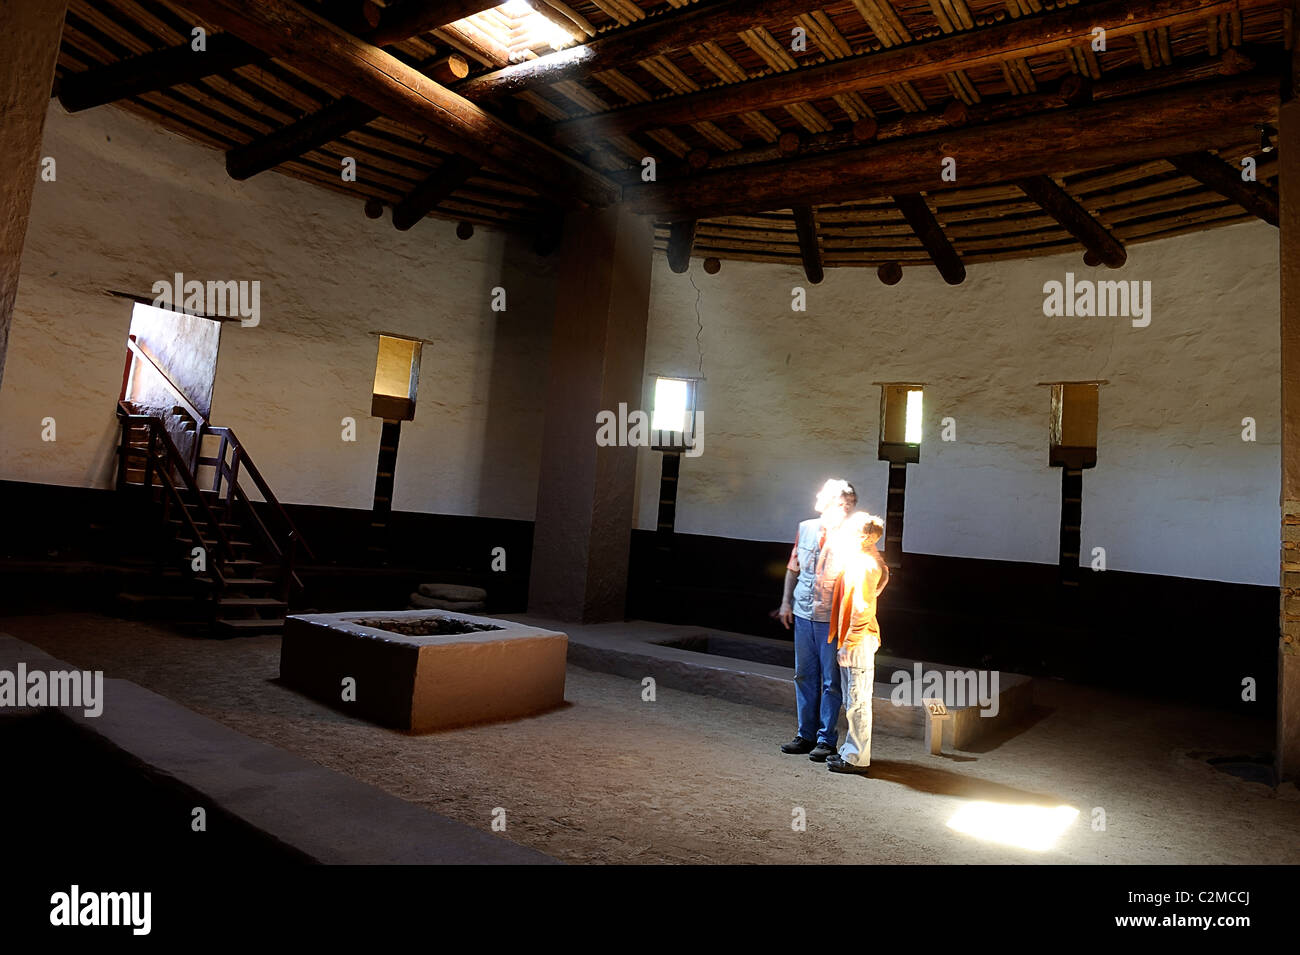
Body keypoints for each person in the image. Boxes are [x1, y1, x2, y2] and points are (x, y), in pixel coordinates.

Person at [778, 478, 856, 762]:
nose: (844, 509)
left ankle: (826, 738)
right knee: (803, 674)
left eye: (848, 505)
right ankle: (805, 734)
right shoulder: (805, 528)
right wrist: (786, 601)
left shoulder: (852, 535)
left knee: (830, 680)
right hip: (803, 612)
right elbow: (793, 568)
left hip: (830, 618)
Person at [825, 511, 889, 776]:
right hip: (858, 638)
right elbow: (884, 572)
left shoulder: (863, 565)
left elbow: (862, 608)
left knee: (857, 699)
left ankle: (856, 758)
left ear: (862, 536)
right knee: (855, 697)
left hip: (859, 640)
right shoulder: (868, 561)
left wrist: (849, 643)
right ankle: (852, 751)